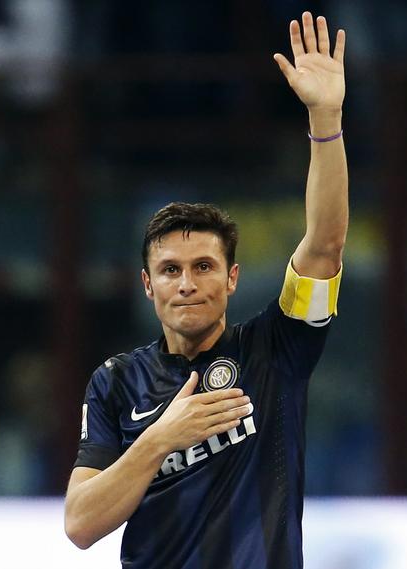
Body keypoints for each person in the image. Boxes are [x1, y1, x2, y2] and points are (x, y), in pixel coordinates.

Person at [64, 12, 348, 569]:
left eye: (204, 266)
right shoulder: (117, 383)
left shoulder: (276, 348)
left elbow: (325, 244)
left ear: (232, 277)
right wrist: (161, 437)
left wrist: (325, 116)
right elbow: (79, 524)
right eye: (170, 270)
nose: (188, 284)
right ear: (147, 285)